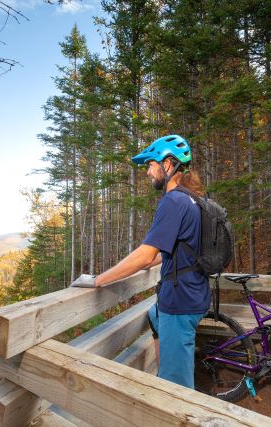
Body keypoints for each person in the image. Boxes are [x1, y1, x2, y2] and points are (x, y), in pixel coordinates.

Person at [94, 134, 210, 389]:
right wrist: (158, 260)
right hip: (195, 293)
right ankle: (164, 376)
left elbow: (144, 255)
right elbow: (183, 249)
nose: (148, 172)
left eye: (151, 164)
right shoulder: (194, 199)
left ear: (168, 164)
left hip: (180, 303)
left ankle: (170, 396)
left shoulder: (174, 200)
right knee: (153, 314)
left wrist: (98, 280)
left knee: (177, 388)